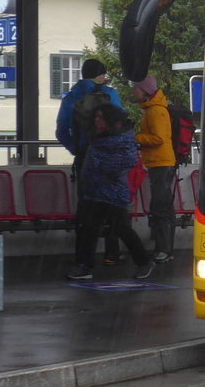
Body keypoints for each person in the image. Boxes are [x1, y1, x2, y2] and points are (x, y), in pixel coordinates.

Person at [65, 103, 154, 281]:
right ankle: (86, 266)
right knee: (90, 229)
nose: (97, 121)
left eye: (101, 117)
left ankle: (143, 262)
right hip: (95, 191)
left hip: (112, 193)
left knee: (120, 229)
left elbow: (127, 161)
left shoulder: (120, 140)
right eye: (96, 117)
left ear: (110, 120)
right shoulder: (100, 138)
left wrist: (101, 166)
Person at [56, 58, 124, 264]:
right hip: (108, 157)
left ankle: (83, 259)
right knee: (113, 204)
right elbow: (120, 124)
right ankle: (112, 253)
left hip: (85, 156)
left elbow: (61, 130)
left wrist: (75, 148)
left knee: (86, 207)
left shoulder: (71, 97)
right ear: (100, 74)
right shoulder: (110, 94)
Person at [130, 75, 175, 264]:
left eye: (136, 89)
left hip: (161, 163)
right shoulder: (153, 109)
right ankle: (164, 249)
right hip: (160, 162)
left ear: (145, 91)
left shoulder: (155, 111)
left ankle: (164, 250)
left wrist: (137, 138)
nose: (134, 92)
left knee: (160, 207)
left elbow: (158, 138)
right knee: (162, 206)